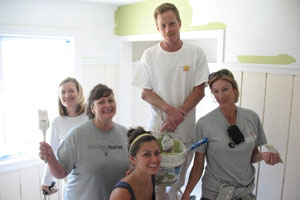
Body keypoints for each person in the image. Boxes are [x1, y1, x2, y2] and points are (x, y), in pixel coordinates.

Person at [132, 2, 209, 200]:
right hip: (158, 130)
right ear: (158, 28)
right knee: (155, 184)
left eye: (172, 24)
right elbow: (145, 93)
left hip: (185, 131)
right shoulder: (150, 55)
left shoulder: (195, 53)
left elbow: (200, 90)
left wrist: (178, 115)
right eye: (163, 26)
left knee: (177, 183)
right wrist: (169, 110)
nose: (168, 30)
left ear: (180, 24)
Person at [182, 69, 283, 200]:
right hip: (215, 193)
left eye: (225, 89)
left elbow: (252, 156)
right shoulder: (204, 124)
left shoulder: (251, 118)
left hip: (244, 191)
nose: (221, 96)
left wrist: (264, 156)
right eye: (216, 91)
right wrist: (186, 193)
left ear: (234, 89)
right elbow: (198, 164)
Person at [39, 83, 130, 200]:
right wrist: (51, 158)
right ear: (92, 108)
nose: (107, 105)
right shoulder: (76, 135)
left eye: (110, 100)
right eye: (101, 102)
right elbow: (61, 173)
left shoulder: (125, 134)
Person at [41, 77, 88, 195]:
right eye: (63, 92)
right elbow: (53, 153)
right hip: (70, 181)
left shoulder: (90, 116)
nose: (67, 95)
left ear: (79, 92)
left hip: (92, 178)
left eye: (71, 91)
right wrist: (46, 181)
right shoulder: (57, 122)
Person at [110, 127, 161, 200]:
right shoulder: (121, 193)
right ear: (132, 159)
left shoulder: (151, 176)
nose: (154, 159)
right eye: (146, 154)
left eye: (157, 153)